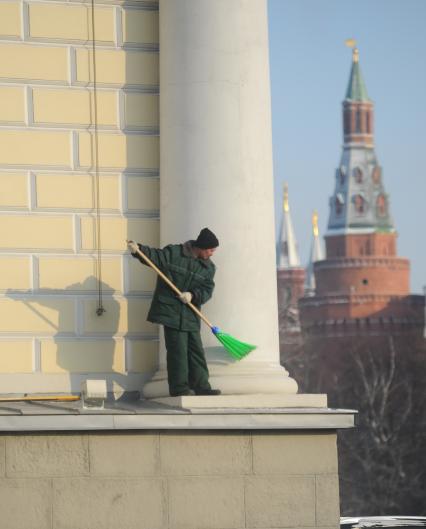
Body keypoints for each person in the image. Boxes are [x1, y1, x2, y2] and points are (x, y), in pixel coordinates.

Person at [127, 228, 221, 397]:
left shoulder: (209, 268)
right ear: (201, 247)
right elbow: (155, 257)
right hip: (170, 312)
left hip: (191, 314)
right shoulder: (175, 253)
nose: (212, 253)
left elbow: (207, 289)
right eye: (211, 250)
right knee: (178, 351)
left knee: (196, 351)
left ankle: (202, 387)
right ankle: (180, 389)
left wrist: (193, 295)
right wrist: (138, 250)